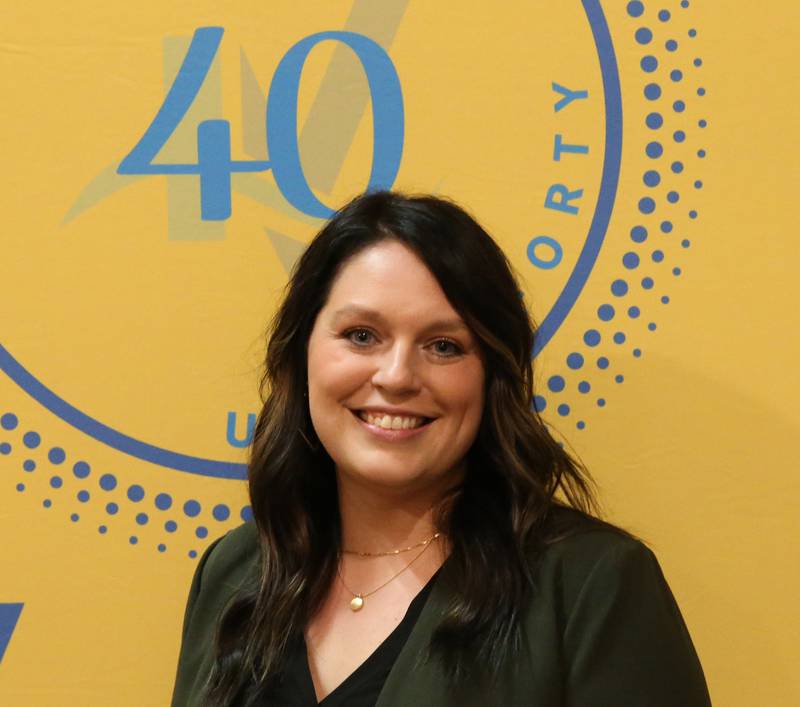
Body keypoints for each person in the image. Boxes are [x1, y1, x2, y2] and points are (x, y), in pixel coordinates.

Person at [170, 191, 711, 706]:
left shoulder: (591, 585)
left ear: (491, 377)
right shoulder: (235, 571)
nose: (398, 375)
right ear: (302, 353)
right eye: (361, 335)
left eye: (444, 346)